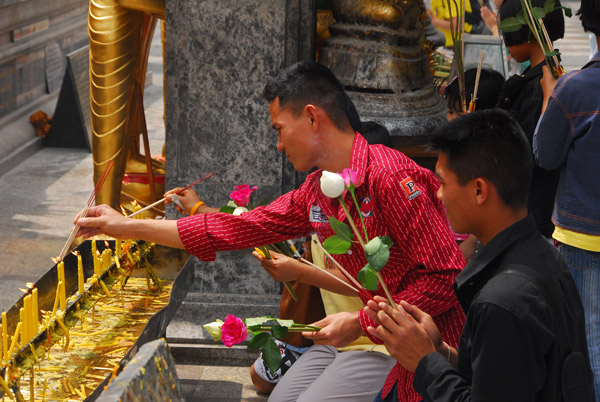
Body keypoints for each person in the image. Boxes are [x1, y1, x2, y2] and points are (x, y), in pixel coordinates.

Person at [75, 61, 466, 402]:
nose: (278, 145)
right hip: (361, 340)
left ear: (313, 117)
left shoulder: (391, 176)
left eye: (279, 128)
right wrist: (123, 226)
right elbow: (238, 227)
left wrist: (363, 322)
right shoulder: (317, 190)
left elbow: (445, 279)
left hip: (422, 356)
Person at [364, 108, 594, 402]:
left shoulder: (503, 300)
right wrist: (440, 351)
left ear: (479, 190)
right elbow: (507, 380)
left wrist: (424, 361)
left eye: (444, 182)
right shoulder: (542, 255)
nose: (438, 195)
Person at [534, 0, 600, 398]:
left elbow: (545, 154)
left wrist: (549, 94)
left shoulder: (574, 89)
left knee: (589, 342)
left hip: (583, 241)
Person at [496, 0, 564, 238]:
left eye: (506, 32)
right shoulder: (555, 76)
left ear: (524, 32)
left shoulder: (540, 86)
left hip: (531, 212)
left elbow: (532, 151)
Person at [443, 67, 504, 262]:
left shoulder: (492, 156)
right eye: (449, 112)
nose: (451, 120)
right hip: (450, 238)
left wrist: (471, 241)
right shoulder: (451, 147)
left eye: (459, 114)